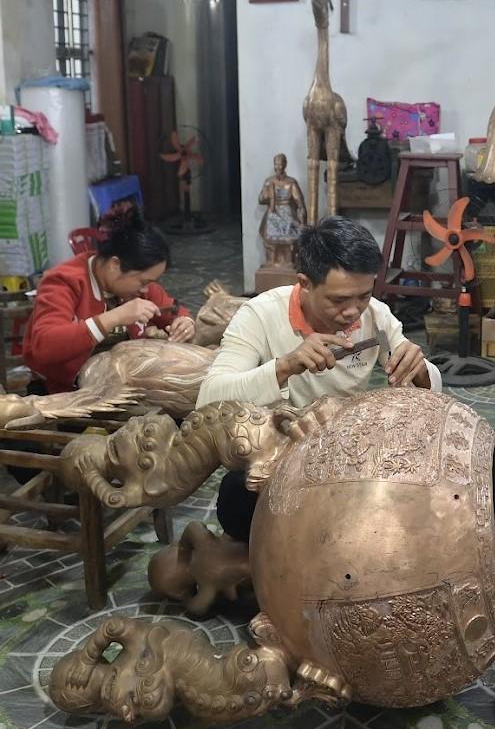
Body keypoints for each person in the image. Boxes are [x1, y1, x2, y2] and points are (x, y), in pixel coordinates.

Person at [197, 215, 442, 540]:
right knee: (237, 501)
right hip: (283, 454)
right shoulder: (259, 315)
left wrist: (420, 369)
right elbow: (209, 398)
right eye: (338, 300)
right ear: (306, 282)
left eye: (364, 295)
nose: (354, 311)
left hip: (348, 451)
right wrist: (285, 366)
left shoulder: (376, 316)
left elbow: (430, 388)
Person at [22, 218, 194, 394]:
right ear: (114, 265)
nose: (145, 289)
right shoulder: (64, 282)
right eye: (143, 281)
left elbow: (172, 309)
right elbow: (45, 347)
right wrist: (115, 317)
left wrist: (184, 321)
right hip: (65, 392)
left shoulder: (138, 288)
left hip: (122, 383)